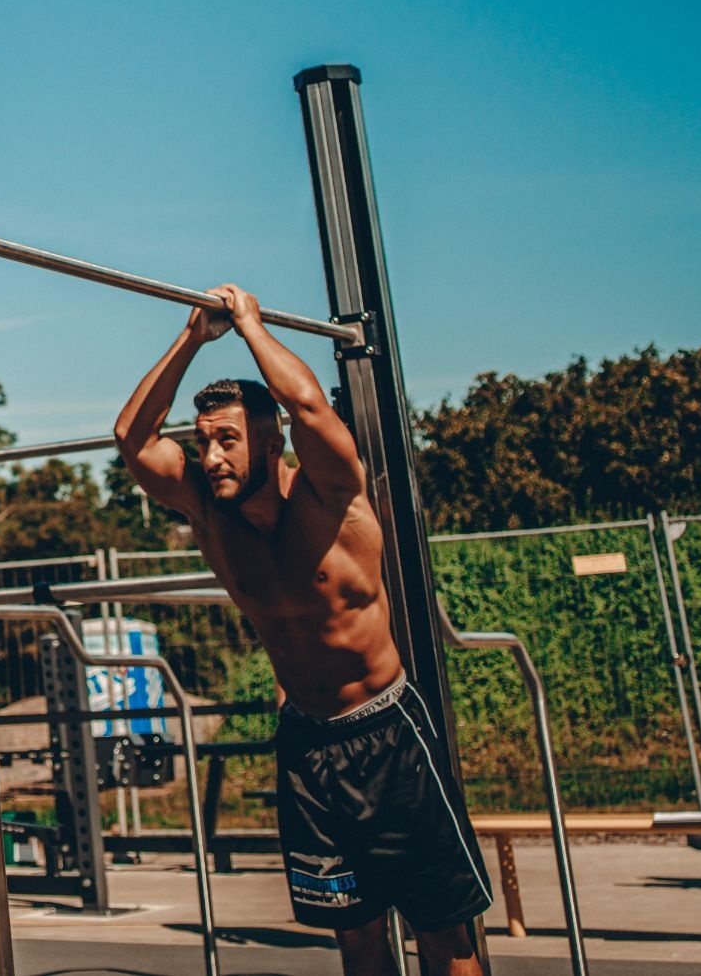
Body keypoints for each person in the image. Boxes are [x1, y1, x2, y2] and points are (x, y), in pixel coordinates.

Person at [114, 286, 490, 976]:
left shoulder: (329, 498)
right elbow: (130, 439)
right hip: (307, 746)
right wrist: (193, 337)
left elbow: (311, 406)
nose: (213, 457)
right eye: (204, 443)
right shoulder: (207, 511)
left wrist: (252, 328)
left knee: (442, 937)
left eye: (227, 439)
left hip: (386, 735)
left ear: (270, 438)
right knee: (353, 935)